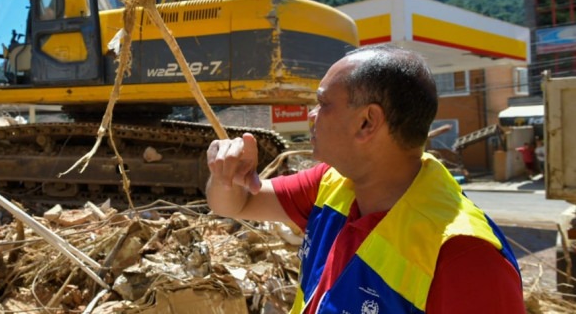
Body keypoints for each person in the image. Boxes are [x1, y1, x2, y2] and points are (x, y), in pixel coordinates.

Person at [206, 44, 523, 313]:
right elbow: (238, 203)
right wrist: (227, 177)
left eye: (323, 104)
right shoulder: (332, 184)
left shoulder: (464, 256)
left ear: (366, 122)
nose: (310, 115)